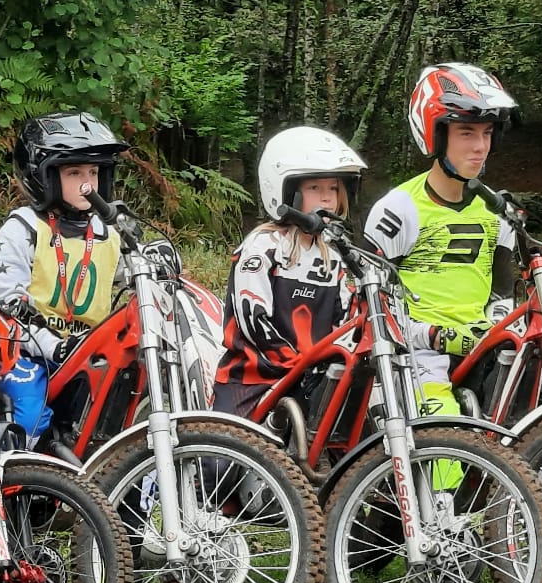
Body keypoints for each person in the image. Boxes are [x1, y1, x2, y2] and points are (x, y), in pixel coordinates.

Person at [363, 62, 520, 418]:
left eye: (487, 133)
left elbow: (503, 294)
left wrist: (494, 328)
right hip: (416, 354)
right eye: (466, 133)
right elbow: (371, 309)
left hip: (483, 347)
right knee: (444, 439)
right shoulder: (397, 210)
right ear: (435, 135)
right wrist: (432, 334)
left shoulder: (498, 210)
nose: (480, 147)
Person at [0, 112, 127, 455]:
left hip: (90, 353)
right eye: (74, 173)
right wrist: (52, 346)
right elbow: (6, 307)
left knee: (128, 406)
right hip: (28, 351)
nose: (87, 184)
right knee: (27, 415)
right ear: (43, 177)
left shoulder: (110, 233)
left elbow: (134, 277)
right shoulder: (23, 229)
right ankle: (5, 480)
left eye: (93, 172)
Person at [213, 126, 363, 418]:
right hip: (253, 376)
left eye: (333, 188)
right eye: (315, 188)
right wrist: (298, 365)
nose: (327, 198)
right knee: (221, 448)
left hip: (309, 378)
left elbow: (344, 320)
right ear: (288, 191)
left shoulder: (334, 255)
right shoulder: (263, 246)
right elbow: (252, 319)